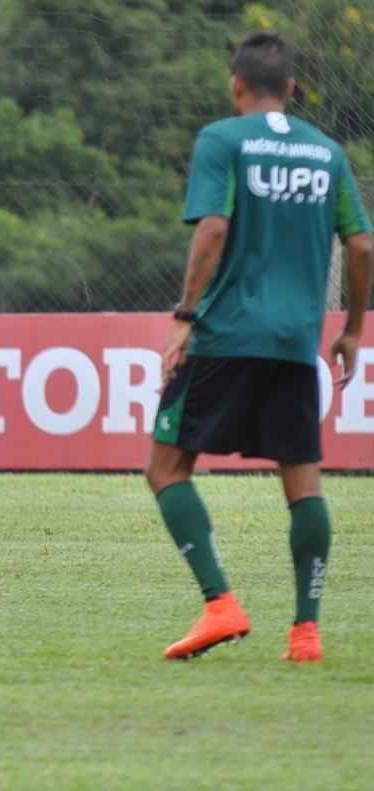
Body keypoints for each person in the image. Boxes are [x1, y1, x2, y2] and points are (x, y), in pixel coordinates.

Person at [147, 31, 371, 662]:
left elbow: (213, 227)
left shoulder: (223, 140)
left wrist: (186, 315)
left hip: (224, 334)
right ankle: (306, 633)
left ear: (235, 84)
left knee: (165, 469)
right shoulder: (326, 153)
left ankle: (220, 603)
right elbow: (361, 246)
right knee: (303, 483)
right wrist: (352, 328)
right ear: (293, 91)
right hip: (296, 343)